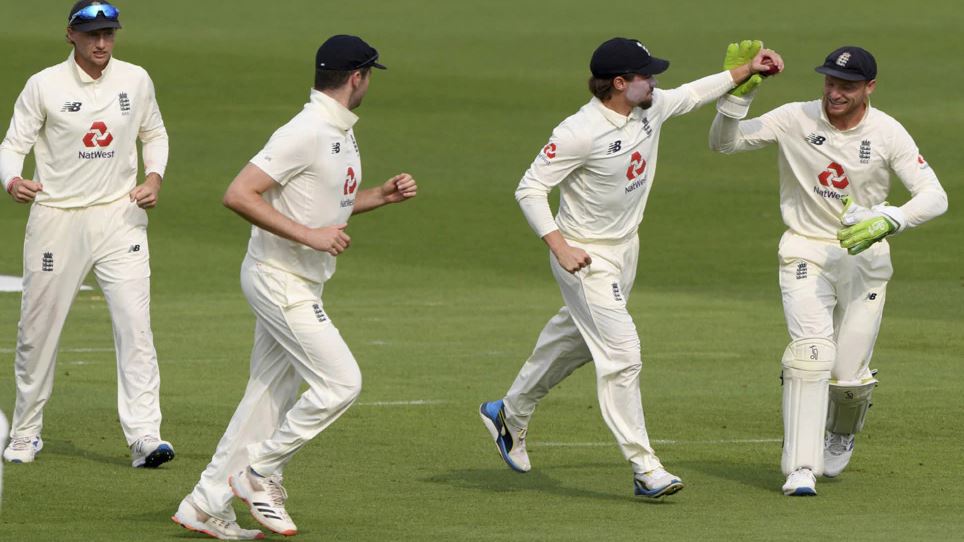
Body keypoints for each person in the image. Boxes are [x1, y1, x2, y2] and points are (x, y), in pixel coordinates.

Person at [478, 38, 783, 498]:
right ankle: (645, 469)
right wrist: (560, 247)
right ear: (619, 84)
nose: (655, 81)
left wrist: (744, 73)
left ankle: (509, 412)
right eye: (646, 75)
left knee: (579, 338)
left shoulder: (650, 106)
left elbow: (691, 94)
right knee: (623, 355)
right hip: (584, 255)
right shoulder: (578, 131)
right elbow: (529, 188)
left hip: (625, 249)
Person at [171, 35, 417, 540]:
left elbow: (320, 204)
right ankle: (260, 473)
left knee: (266, 398)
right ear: (357, 77)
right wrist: (309, 236)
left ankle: (205, 502)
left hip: (300, 279)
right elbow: (238, 194)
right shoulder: (306, 130)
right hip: (279, 280)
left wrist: (378, 197)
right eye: (370, 75)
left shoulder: (339, 130)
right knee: (341, 383)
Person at [709, 45, 947, 496]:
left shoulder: (887, 132)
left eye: (847, 86)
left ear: (869, 88)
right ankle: (800, 467)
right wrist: (737, 95)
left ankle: (842, 430)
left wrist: (889, 219)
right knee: (811, 353)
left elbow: (935, 197)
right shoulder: (794, 117)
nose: (835, 93)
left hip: (866, 258)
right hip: (805, 250)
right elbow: (724, 143)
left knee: (847, 378)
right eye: (830, 82)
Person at [0, 1, 174, 468]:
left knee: (135, 328)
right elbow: (12, 145)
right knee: (38, 331)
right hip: (57, 217)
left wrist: (154, 177)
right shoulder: (44, 85)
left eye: (109, 34)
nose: (102, 43)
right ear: (70, 36)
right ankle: (25, 432)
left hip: (120, 215)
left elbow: (154, 134)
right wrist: (13, 181)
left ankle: (144, 437)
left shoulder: (135, 79)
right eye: (92, 34)